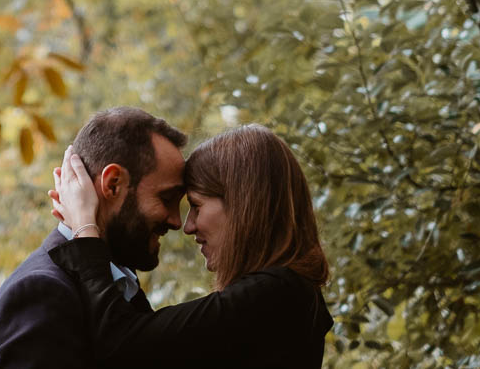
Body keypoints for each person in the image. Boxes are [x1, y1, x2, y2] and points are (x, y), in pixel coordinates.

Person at [48, 124, 334, 369]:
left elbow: (126, 346)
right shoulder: (289, 294)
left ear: (243, 206)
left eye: (196, 206)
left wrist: (86, 228)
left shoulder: (274, 295)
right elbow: (157, 344)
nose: (188, 226)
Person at [0, 107, 187, 369]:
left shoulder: (118, 287)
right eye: (166, 199)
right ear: (112, 184)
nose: (176, 221)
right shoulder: (42, 292)